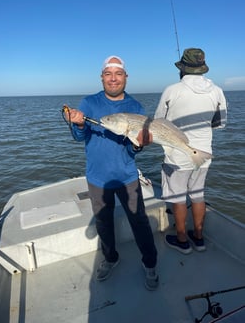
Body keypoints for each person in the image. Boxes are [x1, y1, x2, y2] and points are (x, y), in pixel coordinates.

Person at [65, 56, 159, 290]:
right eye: (109, 73)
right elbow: (79, 137)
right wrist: (77, 124)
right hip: (97, 178)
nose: (113, 78)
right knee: (103, 223)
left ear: (126, 77)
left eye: (118, 73)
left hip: (127, 176)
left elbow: (132, 148)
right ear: (102, 77)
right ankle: (110, 259)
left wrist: (138, 144)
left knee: (140, 222)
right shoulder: (89, 103)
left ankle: (150, 263)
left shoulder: (136, 108)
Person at [154, 48, 227, 254]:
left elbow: (159, 122)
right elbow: (220, 123)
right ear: (202, 67)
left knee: (177, 197)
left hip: (177, 155)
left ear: (183, 68)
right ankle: (199, 238)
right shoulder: (217, 91)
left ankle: (182, 240)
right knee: (197, 195)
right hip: (203, 154)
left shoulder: (172, 90)